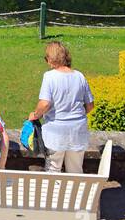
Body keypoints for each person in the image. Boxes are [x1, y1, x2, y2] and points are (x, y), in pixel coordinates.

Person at [28, 40, 95, 173]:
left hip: (56, 131)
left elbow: (45, 103)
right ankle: (76, 193)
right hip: (78, 129)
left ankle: (52, 193)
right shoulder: (80, 76)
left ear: (50, 59)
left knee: (53, 168)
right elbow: (90, 105)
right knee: (76, 169)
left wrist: (35, 115)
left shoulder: (50, 77)